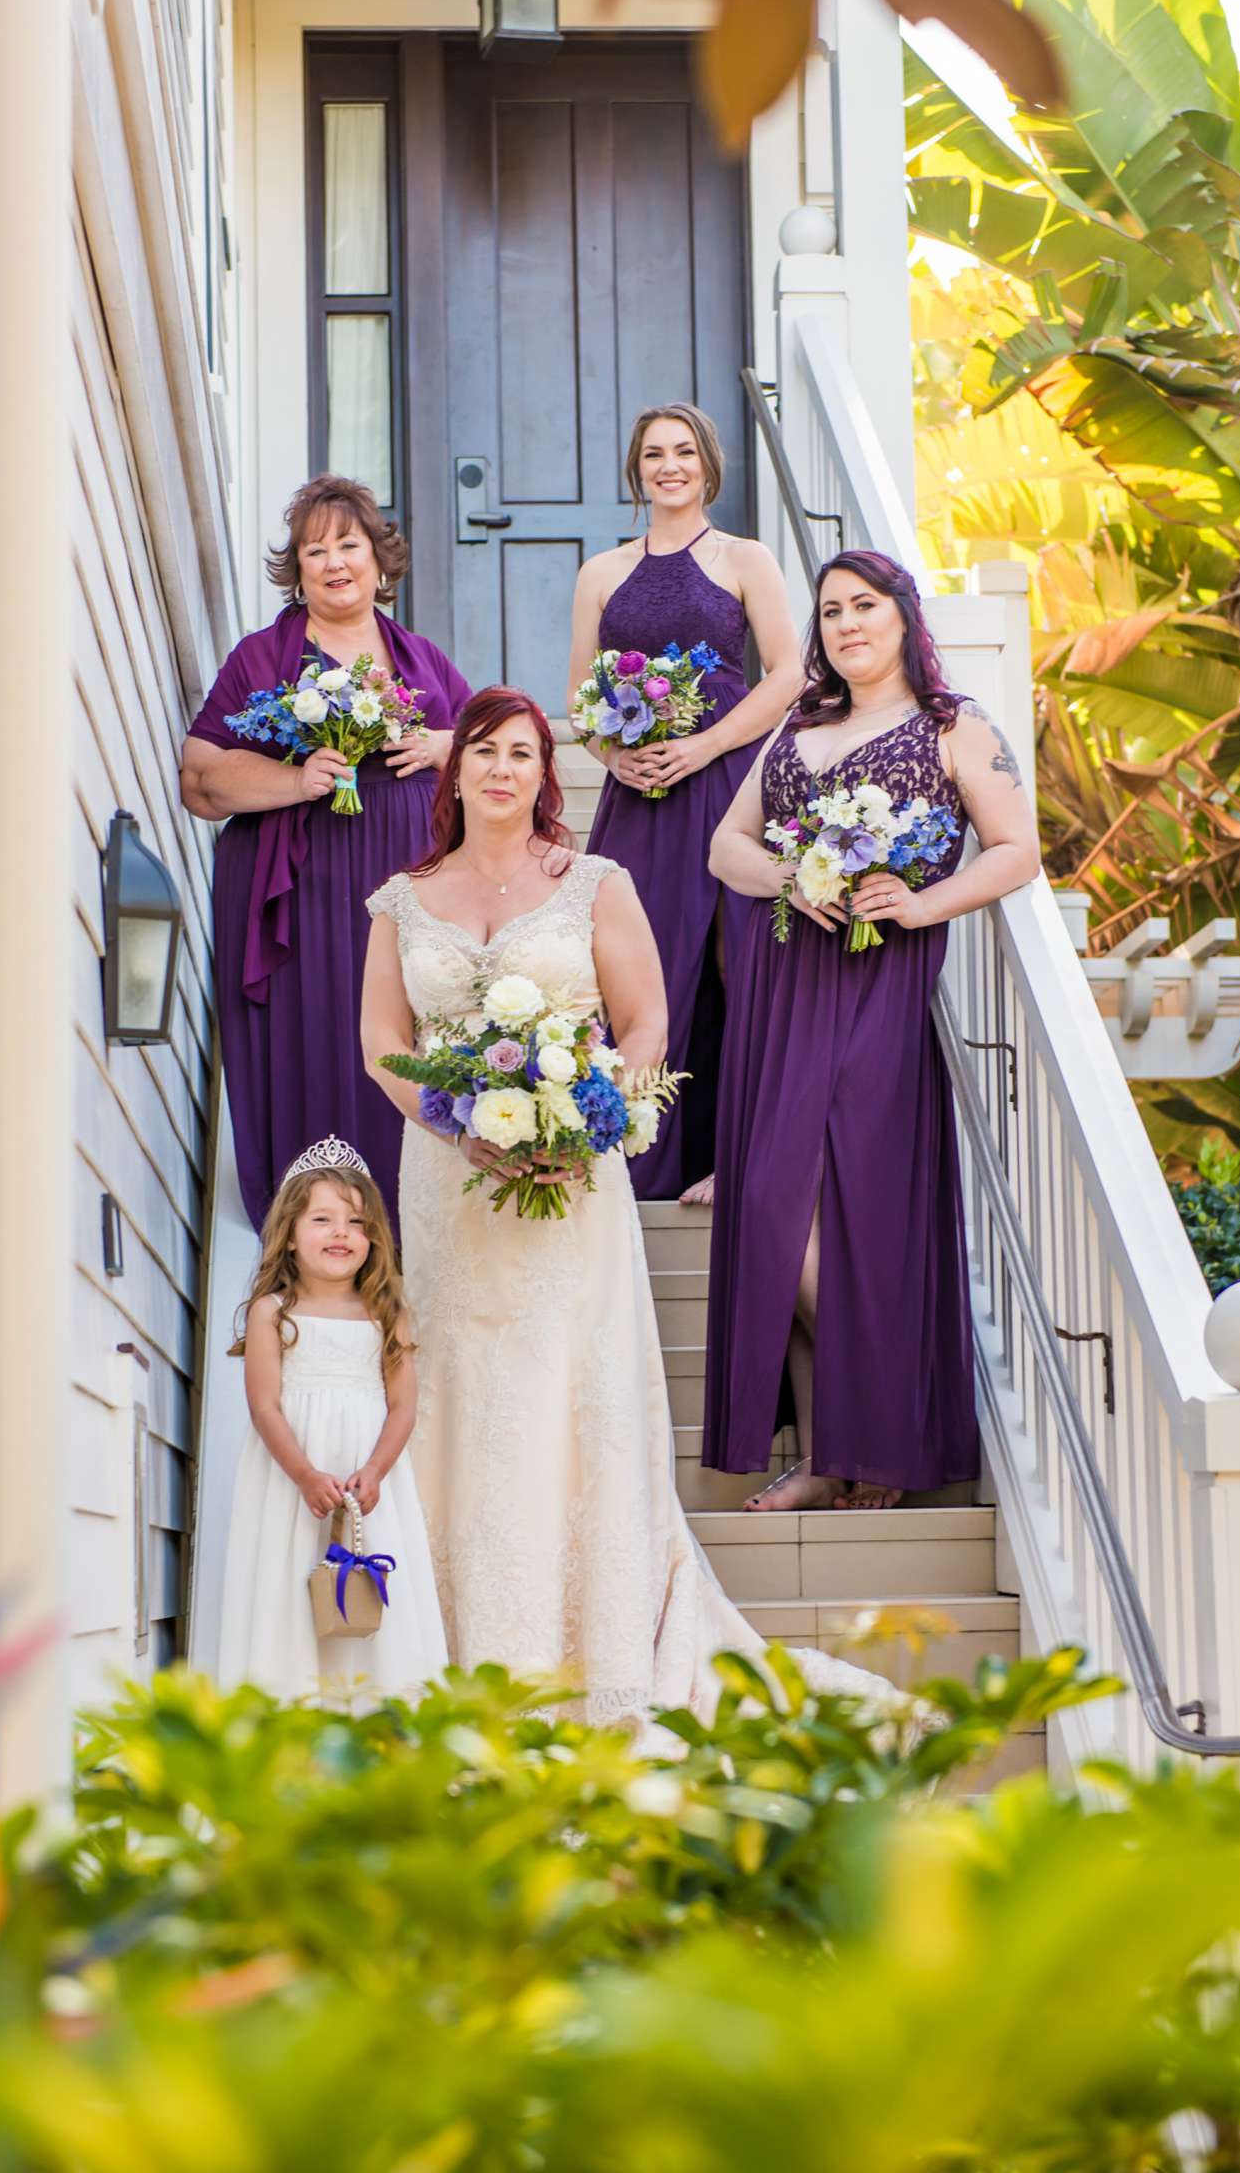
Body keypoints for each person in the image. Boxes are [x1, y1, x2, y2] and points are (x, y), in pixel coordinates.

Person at [360, 687, 895, 1726]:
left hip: (571, 1180)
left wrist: (579, 1122)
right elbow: (381, 1043)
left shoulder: (594, 883)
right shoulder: (400, 900)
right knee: (461, 1392)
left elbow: (645, 1025)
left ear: (544, 774)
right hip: (445, 1182)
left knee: (571, 1390)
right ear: (456, 770)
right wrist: (450, 1119)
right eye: (484, 752)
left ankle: (595, 1646)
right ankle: (462, 1647)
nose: (502, 770)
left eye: (522, 753)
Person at [704, 551, 1041, 1512]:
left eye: (864, 606)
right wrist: (792, 877)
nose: (848, 624)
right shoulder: (795, 729)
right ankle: (834, 1446)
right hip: (781, 990)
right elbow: (726, 846)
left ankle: (868, 1443)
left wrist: (922, 903)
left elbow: (1016, 851)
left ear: (901, 616)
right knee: (775, 1210)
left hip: (878, 988)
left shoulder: (953, 724)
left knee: (856, 1214)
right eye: (831, 612)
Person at [181, 474, 472, 1236]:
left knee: (408, 1034)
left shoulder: (427, 662)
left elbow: (500, 764)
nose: (334, 561)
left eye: (349, 544)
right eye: (316, 549)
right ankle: (316, 1222)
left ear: (380, 560)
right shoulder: (259, 658)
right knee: (320, 1034)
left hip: (408, 880)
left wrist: (445, 743)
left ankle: (416, 1219)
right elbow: (199, 779)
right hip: (298, 887)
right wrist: (295, 776)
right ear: (297, 568)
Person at [567, 405, 800, 1204]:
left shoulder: (743, 558)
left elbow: (787, 674)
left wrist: (702, 748)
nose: (670, 466)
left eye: (684, 452)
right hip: (638, 802)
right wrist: (614, 757)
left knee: (732, 963)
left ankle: (724, 1155)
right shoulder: (601, 572)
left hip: (724, 785)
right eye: (654, 454)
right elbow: (577, 698)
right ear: (637, 470)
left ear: (708, 465)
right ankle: (627, 1150)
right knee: (637, 965)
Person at [216, 1137, 447, 1704]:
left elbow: (403, 1406)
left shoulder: (389, 1313)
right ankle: (293, 1710)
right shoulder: (273, 1313)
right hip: (293, 1474)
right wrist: (303, 1475)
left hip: (368, 1483)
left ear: (373, 1239)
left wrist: (375, 1470)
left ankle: (372, 1714)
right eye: (322, 1219)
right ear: (290, 1236)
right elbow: (265, 1406)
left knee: (367, 1588)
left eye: (356, 1222)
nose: (341, 1232)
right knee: (290, 1579)